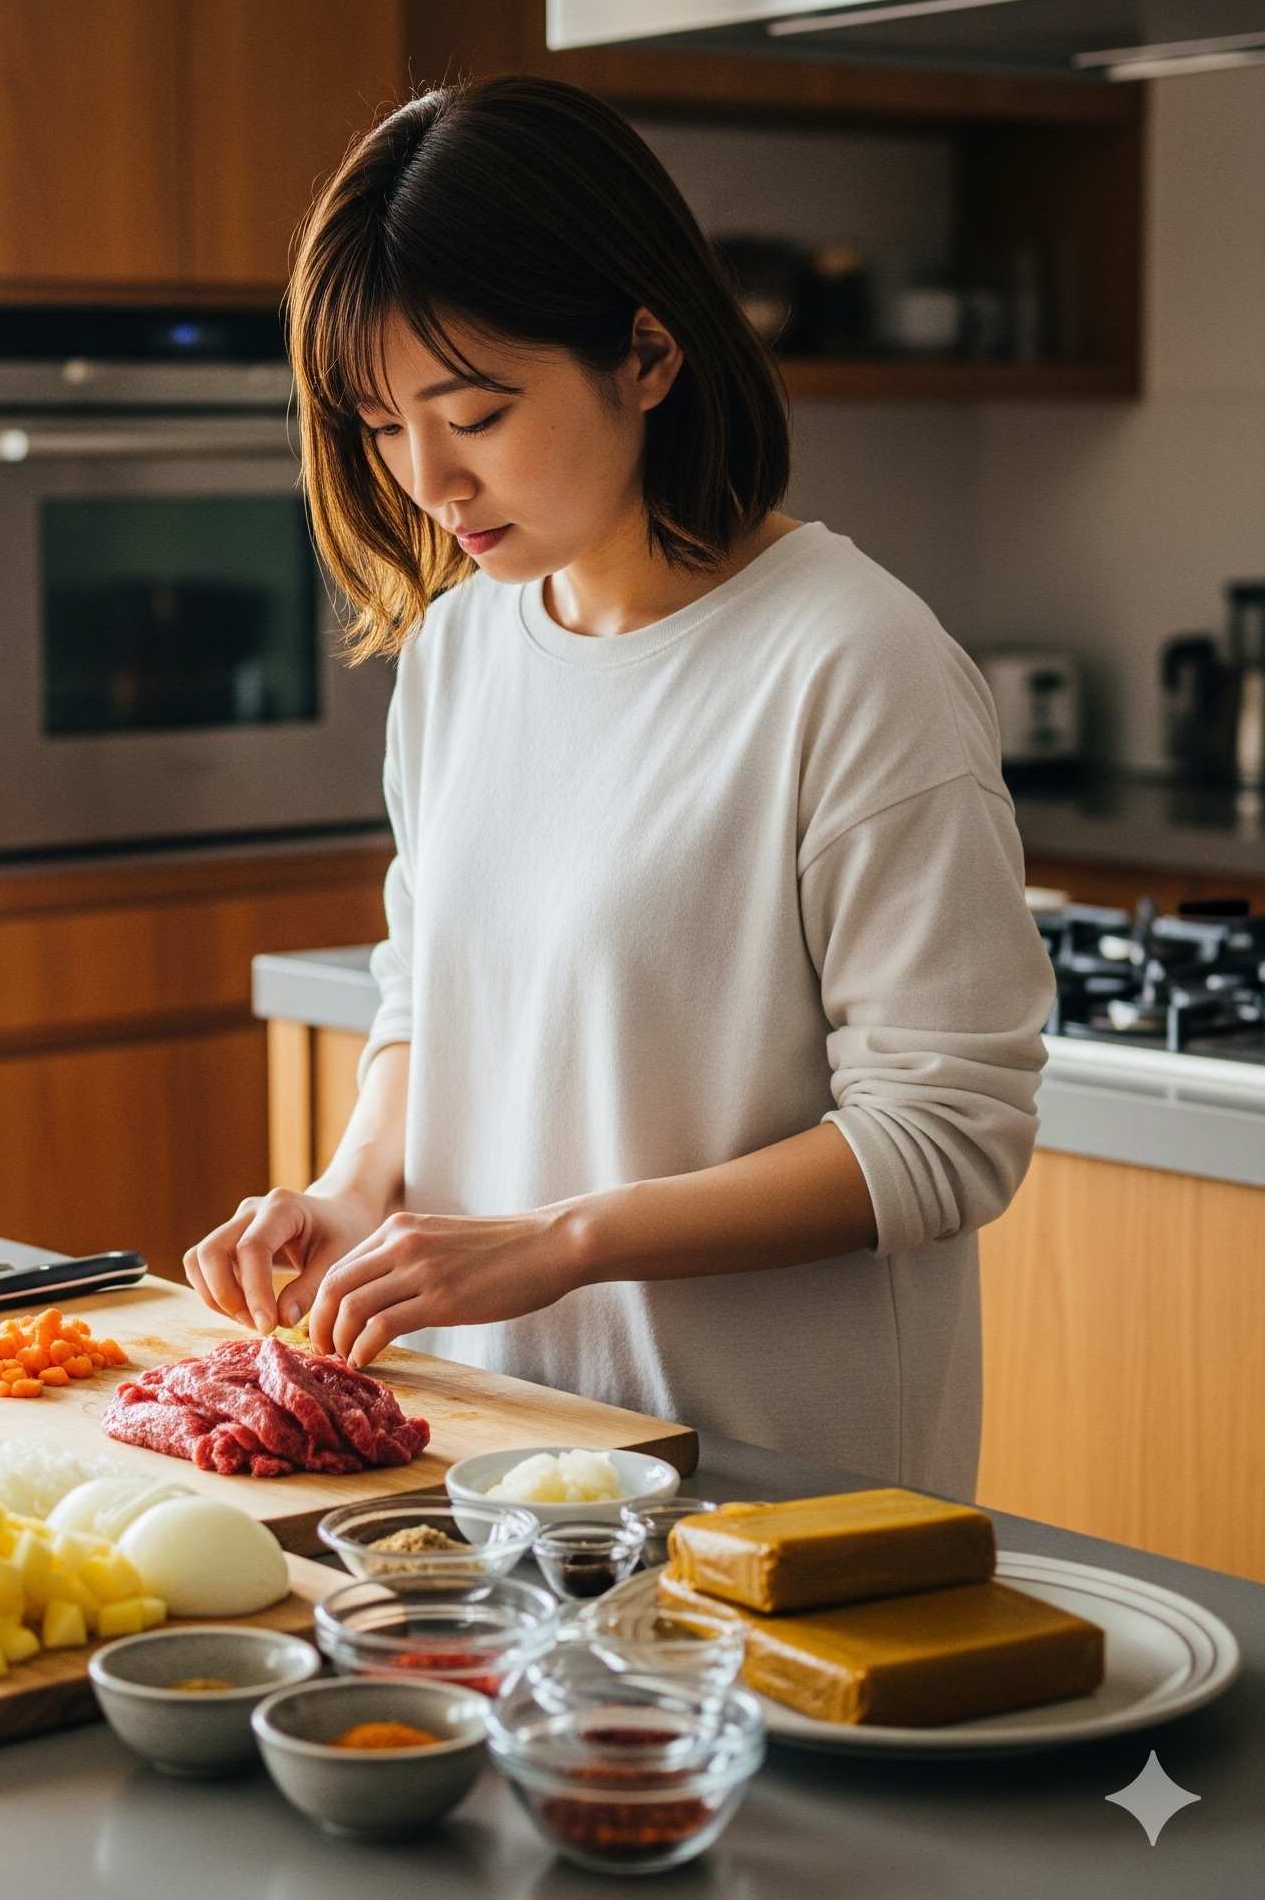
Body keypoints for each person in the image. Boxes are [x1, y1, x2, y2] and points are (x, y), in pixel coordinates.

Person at [182, 76, 1055, 1499]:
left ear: (647, 355)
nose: (428, 480)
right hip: (501, 1468)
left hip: (779, 1501)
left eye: (474, 413)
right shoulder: (458, 651)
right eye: (381, 426)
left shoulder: (855, 660)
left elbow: (945, 1136)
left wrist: (565, 1239)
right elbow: (428, 1000)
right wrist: (351, 1190)